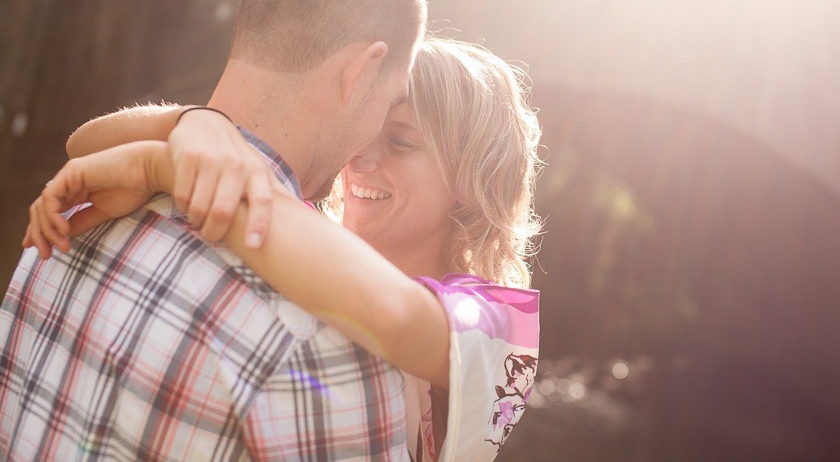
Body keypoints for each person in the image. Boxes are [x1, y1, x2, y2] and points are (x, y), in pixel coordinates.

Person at [0, 0, 428, 460]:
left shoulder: (79, 205)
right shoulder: (328, 333)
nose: (369, 148)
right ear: (362, 72)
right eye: (389, 103)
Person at [25, 37, 543, 462]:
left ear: (475, 180)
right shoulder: (304, 228)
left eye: (402, 142)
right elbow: (83, 149)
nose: (360, 157)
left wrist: (161, 168)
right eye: (365, 127)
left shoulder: (502, 327)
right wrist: (196, 123)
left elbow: (392, 313)